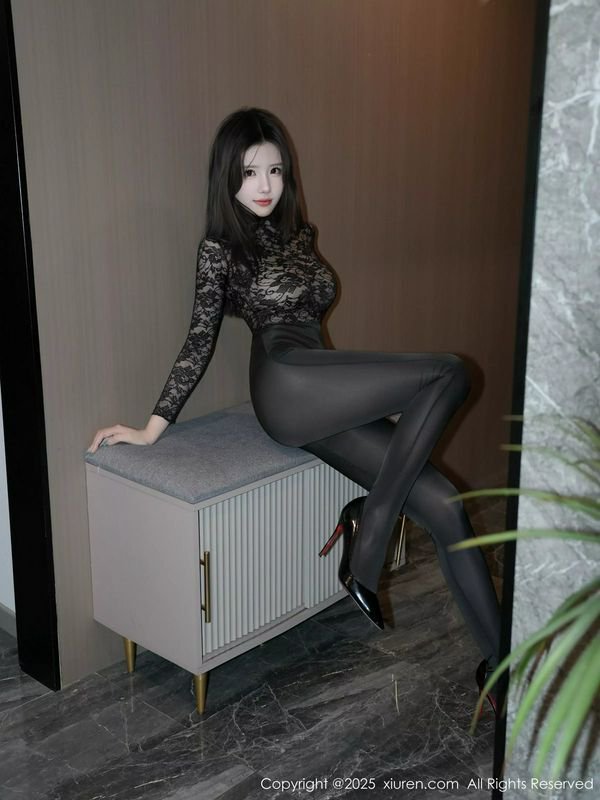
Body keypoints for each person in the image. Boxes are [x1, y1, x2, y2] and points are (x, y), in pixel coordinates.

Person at [89, 107, 500, 712]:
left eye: (275, 171)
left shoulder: (299, 234)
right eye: (249, 172)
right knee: (448, 371)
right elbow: (199, 340)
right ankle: (370, 538)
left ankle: (502, 667)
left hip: (321, 386)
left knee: (445, 505)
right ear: (227, 177)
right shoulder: (219, 250)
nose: (264, 185)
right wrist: (151, 429)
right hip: (284, 385)